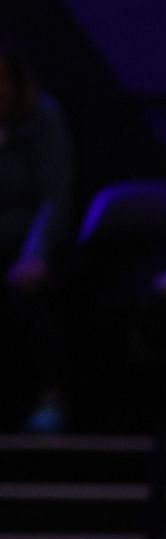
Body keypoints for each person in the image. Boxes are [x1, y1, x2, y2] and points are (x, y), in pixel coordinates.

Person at [0, 44, 73, 433]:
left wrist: (35, 253)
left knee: (31, 296)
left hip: (31, 244)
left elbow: (54, 195)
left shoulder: (43, 119)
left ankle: (48, 398)